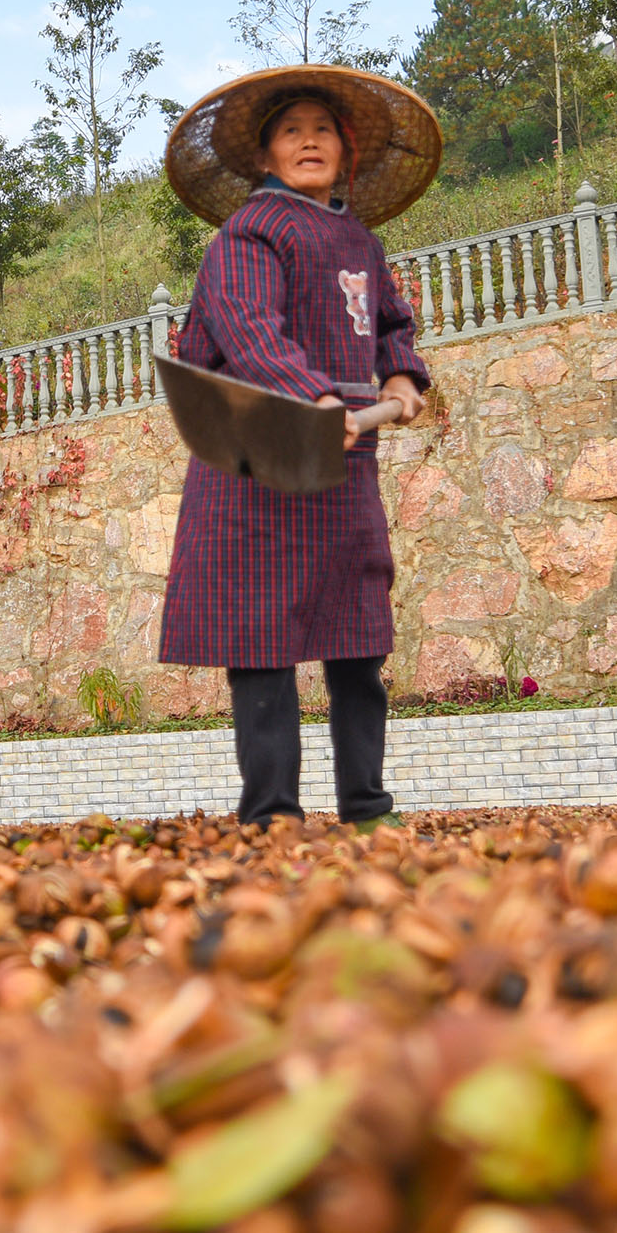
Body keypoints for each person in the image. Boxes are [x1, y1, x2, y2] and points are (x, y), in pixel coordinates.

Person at [157, 67, 442, 823]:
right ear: (264, 157)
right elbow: (251, 327)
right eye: (291, 130)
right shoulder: (246, 233)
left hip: (344, 467)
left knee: (358, 645)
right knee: (259, 649)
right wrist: (308, 395)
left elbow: (391, 324)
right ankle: (271, 816)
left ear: (346, 153)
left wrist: (403, 376)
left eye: (323, 129)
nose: (308, 139)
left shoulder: (361, 242)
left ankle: (368, 806)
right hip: (255, 465)